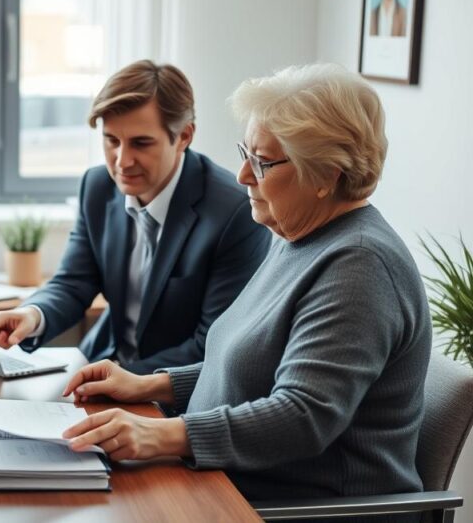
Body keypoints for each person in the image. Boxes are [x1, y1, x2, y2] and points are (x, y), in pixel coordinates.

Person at [61, 63, 431, 503]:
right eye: (245, 153)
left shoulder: (360, 265)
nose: (243, 176)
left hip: (304, 509)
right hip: (234, 484)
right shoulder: (298, 236)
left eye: (263, 162)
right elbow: (248, 366)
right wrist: (150, 386)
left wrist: (162, 435)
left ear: (326, 174)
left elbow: (302, 416)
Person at [0, 60, 270, 374]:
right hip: (102, 363)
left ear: (184, 137)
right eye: (111, 141)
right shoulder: (96, 187)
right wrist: (32, 314)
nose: (122, 161)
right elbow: (73, 283)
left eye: (140, 143)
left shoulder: (234, 212)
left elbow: (211, 345)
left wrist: (126, 380)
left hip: (175, 394)